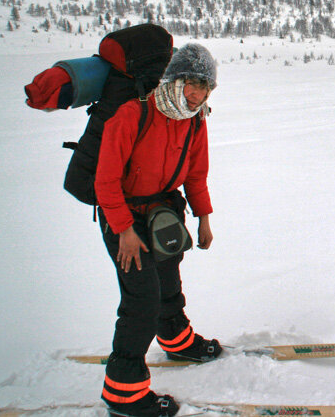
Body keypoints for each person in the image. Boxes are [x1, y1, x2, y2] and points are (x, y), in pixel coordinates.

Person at [95, 43, 223, 417]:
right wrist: (123, 230)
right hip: (123, 216)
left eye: (206, 87)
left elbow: (196, 174)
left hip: (163, 211)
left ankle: (177, 340)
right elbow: (105, 180)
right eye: (192, 84)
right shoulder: (132, 114)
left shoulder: (195, 120)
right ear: (173, 80)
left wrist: (203, 217)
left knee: (168, 280)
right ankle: (123, 393)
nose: (198, 94)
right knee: (142, 300)